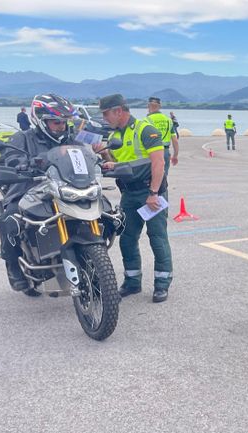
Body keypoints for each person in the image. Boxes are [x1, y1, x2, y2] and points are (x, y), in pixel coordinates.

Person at [0, 94, 79, 291]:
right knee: (10, 221)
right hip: (28, 190)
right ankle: (13, 265)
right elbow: (11, 157)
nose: (61, 126)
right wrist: (23, 164)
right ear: (40, 121)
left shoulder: (70, 139)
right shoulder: (23, 138)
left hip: (64, 190)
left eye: (64, 122)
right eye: (56, 122)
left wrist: (99, 161)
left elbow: (83, 154)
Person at [98, 93, 173, 303]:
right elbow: (118, 162)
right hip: (129, 194)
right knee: (128, 238)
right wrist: (104, 156)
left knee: (157, 237)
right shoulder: (114, 136)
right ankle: (132, 282)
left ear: (118, 111)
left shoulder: (145, 130)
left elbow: (158, 163)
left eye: (106, 114)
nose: (104, 118)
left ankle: (162, 284)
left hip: (150, 192)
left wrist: (153, 194)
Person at [146, 97, 179, 172]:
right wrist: (175, 156)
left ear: (148, 106)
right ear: (160, 106)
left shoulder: (146, 120)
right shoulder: (168, 120)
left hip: (152, 152)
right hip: (165, 152)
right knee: (163, 177)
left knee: (151, 178)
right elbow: (175, 140)